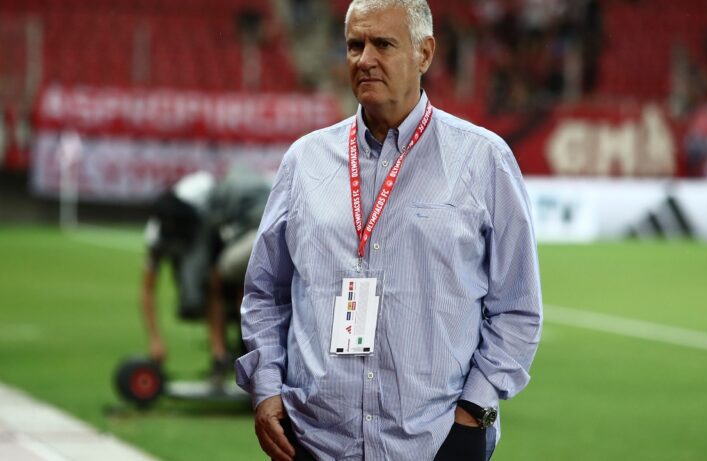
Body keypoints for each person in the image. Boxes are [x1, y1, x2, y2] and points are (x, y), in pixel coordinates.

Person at [235, 1, 543, 460]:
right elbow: (265, 293)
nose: (365, 59)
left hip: (435, 443)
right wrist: (266, 389)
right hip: (314, 442)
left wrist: (473, 411)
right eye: (354, 45)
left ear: (425, 53)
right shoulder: (304, 161)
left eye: (383, 44)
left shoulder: (484, 160)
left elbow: (517, 307)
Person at [142, 170, 270, 382]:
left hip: (242, 235)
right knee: (210, 287)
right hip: (238, 235)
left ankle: (240, 355)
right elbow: (147, 289)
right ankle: (225, 356)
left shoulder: (205, 198)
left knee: (223, 282)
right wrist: (155, 339)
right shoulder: (156, 236)